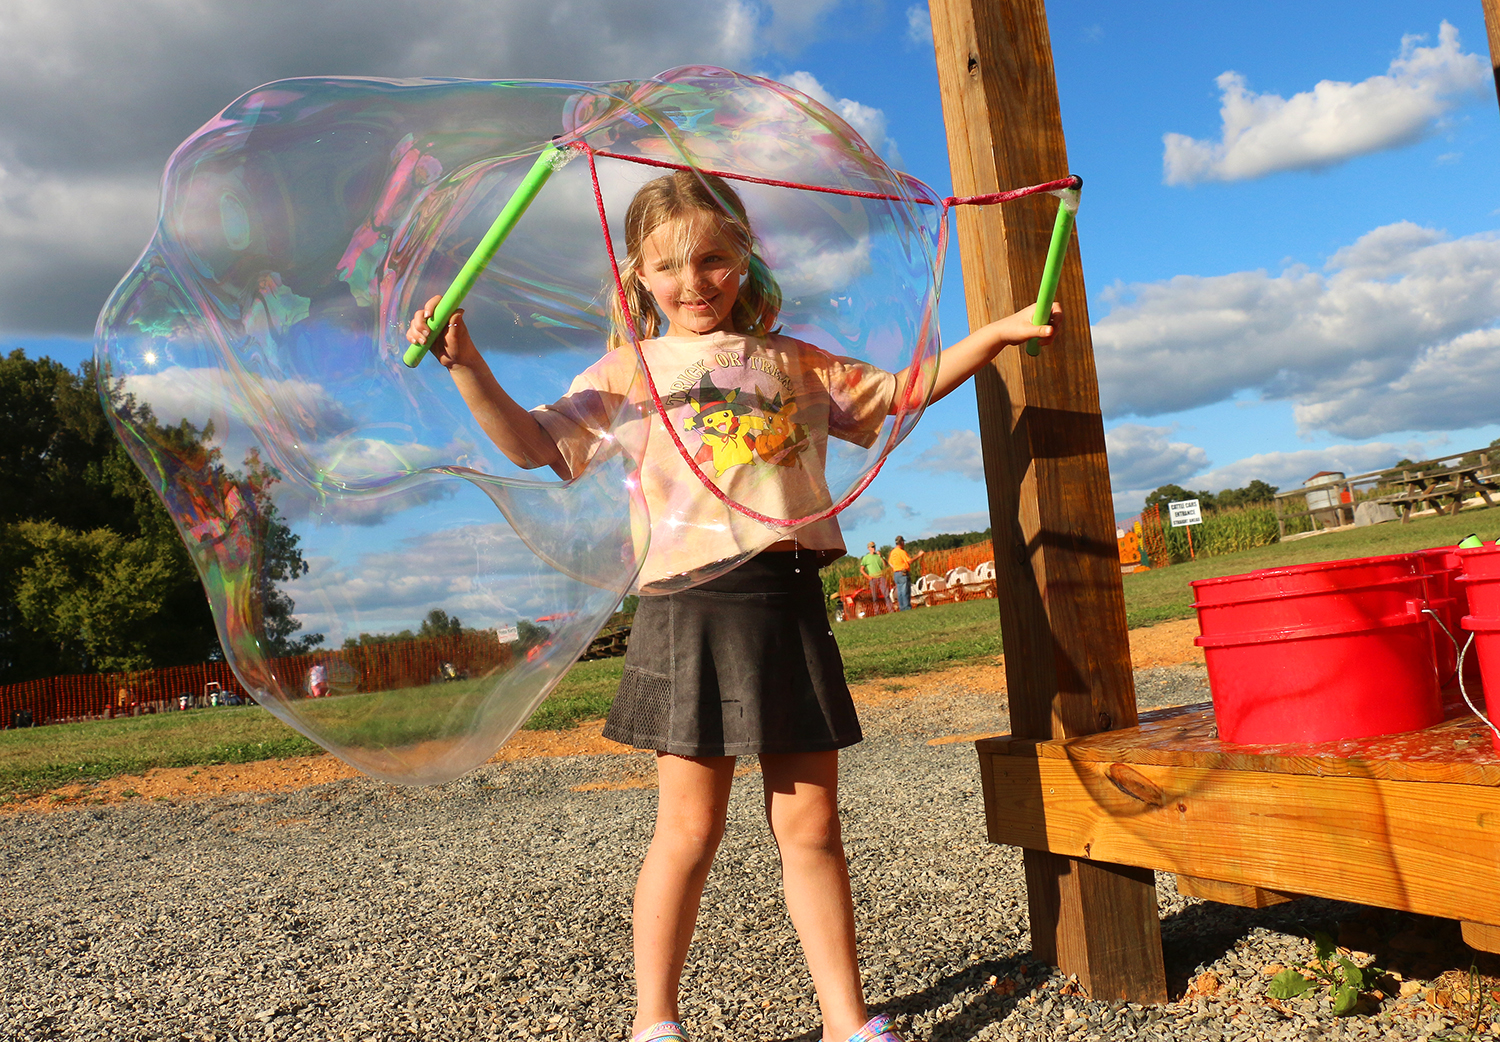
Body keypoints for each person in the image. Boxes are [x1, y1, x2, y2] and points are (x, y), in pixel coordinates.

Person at [407, 169, 1058, 1042]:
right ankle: (654, 1023)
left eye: (714, 259)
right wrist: (468, 367)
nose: (694, 283)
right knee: (687, 827)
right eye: (669, 267)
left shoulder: (795, 360)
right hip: (685, 608)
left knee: (812, 822)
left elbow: (900, 392)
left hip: (784, 598)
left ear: (745, 258)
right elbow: (535, 446)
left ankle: (844, 1022)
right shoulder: (623, 374)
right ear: (636, 275)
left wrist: (999, 334)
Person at [886, 536, 923, 611]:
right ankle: (906, 608)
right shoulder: (902, 552)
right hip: (903, 573)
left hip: (896, 574)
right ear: (902, 542)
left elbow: (890, 562)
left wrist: (895, 567)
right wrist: (919, 556)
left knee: (900, 592)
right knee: (905, 591)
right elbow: (909, 561)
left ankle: (902, 607)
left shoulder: (893, 552)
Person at [858, 541, 889, 612]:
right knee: (875, 596)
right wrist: (868, 577)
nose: (873, 548)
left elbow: (885, 565)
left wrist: (881, 557)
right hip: (872, 578)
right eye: (872, 547)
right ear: (868, 548)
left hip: (881, 577)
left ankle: (890, 609)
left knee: (886, 594)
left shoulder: (879, 556)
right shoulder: (866, 558)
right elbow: (861, 569)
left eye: (874, 546)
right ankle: (876, 611)